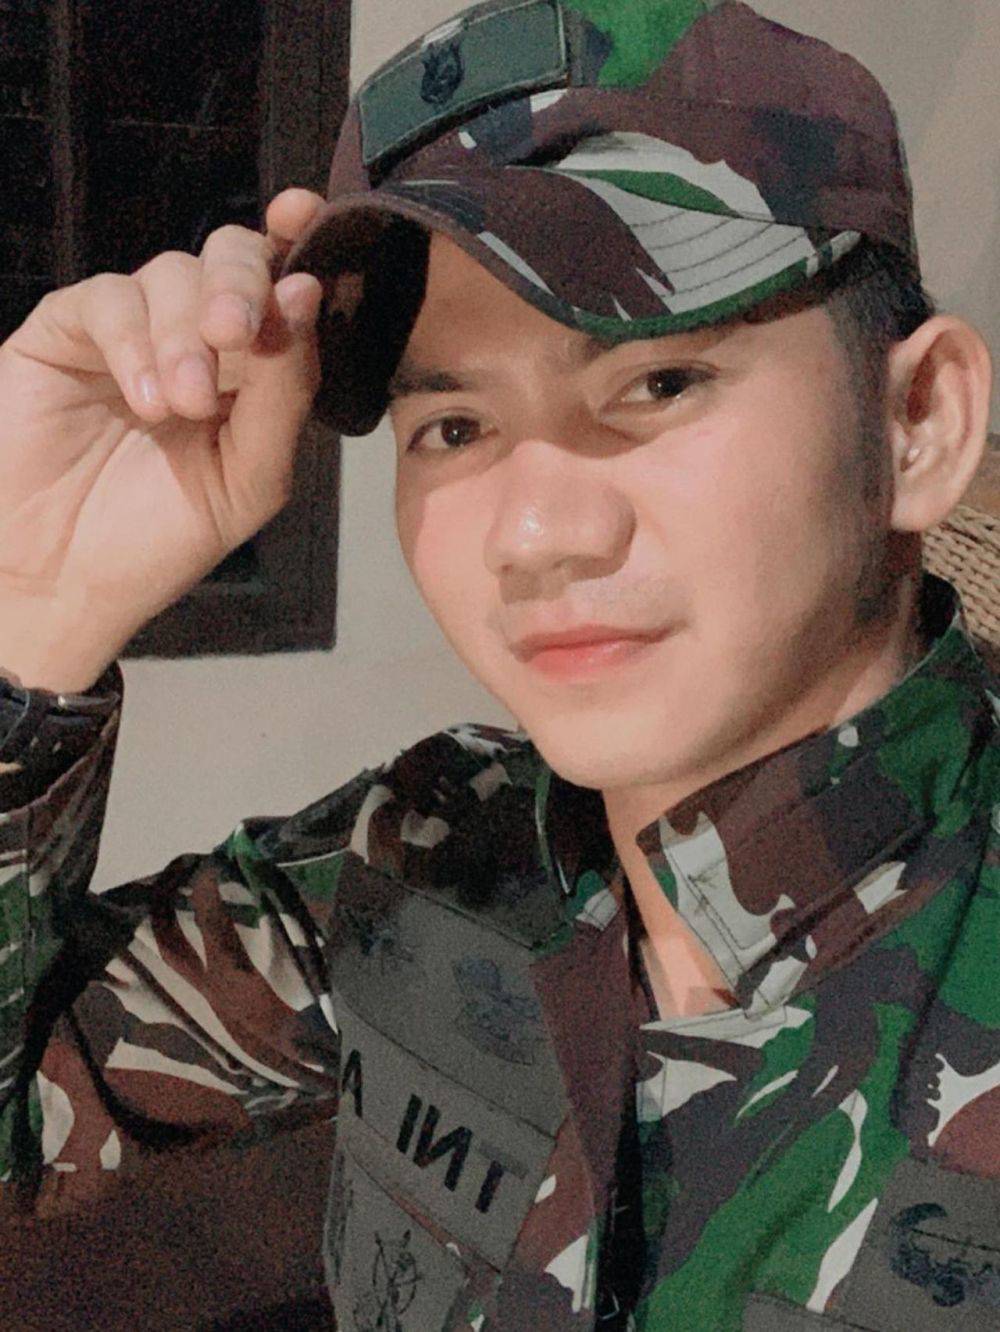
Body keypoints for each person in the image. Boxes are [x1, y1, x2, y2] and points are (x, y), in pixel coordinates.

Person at [0, 0, 996, 1327]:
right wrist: (36, 609)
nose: (534, 535)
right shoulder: (428, 848)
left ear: (919, 419)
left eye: (659, 382)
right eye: (456, 426)